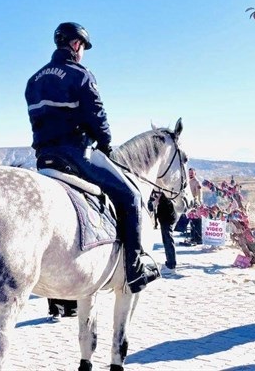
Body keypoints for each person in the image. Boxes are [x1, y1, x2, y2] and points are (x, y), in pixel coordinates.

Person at [25, 22, 159, 294]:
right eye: (83, 47)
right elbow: (97, 116)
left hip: (44, 157)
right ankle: (134, 271)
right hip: (76, 154)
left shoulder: (34, 80)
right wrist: (107, 145)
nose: (83, 51)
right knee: (131, 197)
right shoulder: (80, 75)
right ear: (76, 44)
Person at [149, 190, 177, 270]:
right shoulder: (164, 192)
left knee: (168, 241)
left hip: (166, 218)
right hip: (166, 218)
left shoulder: (165, 193)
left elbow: (156, 202)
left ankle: (171, 264)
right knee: (167, 241)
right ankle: (170, 262)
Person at [187, 168, 203, 245]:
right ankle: (193, 237)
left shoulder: (197, 182)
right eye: (189, 173)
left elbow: (199, 194)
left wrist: (199, 204)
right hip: (190, 204)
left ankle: (198, 239)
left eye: (192, 173)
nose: (190, 174)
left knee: (197, 222)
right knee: (192, 221)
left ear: (195, 174)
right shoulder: (189, 181)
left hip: (196, 203)